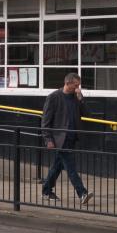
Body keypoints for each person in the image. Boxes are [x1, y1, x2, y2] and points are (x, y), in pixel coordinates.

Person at [41, 72, 94, 205]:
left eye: (79, 86)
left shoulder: (76, 97)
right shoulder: (53, 97)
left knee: (57, 166)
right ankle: (82, 193)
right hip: (60, 138)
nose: (77, 88)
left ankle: (46, 191)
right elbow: (45, 121)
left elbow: (87, 114)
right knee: (71, 167)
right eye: (75, 85)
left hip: (72, 137)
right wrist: (48, 139)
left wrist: (81, 98)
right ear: (67, 83)